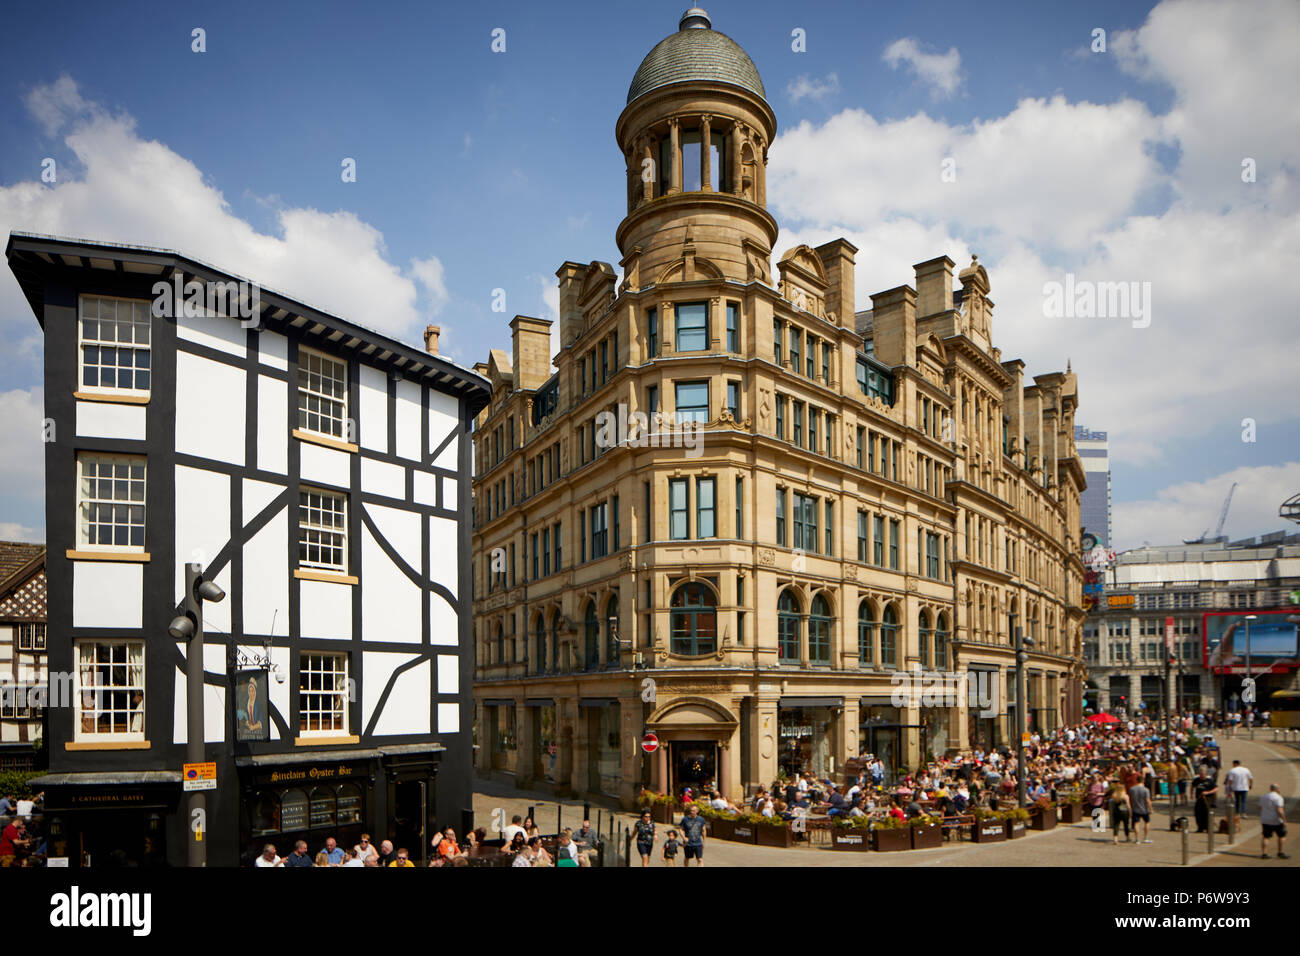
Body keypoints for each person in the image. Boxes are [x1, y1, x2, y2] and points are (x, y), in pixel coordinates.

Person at [1259, 783, 1288, 860]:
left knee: (1266, 837)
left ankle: (1264, 853)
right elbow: (1280, 810)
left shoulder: (1263, 797)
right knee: (1281, 836)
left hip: (1265, 820)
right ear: (1277, 789)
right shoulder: (1278, 798)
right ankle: (1280, 852)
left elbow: (1260, 808)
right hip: (1276, 820)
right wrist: (1284, 820)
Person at [1192, 767, 1218, 834]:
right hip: (1199, 799)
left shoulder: (1209, 781)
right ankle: (1200, 827)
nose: (1201, 775)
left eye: (1203, 774)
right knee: (1198, 814)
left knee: (1206, 814)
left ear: (1206, 774)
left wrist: (1208, 792)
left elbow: (1216, 788)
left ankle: (1208, 828)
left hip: (1207, 800)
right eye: (1200, 774)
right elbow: (1192, 786)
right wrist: (1191, 794)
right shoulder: (1196, 780)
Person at [1128, 779, 1153, 844]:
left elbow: (1130, 799)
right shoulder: (1146, 790)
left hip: (1135, 808)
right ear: (1143, 781)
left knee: (1136, 823)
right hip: (1144, 809)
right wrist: (1151, 809)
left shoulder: (1132, 789)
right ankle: (1146, 837)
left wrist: (1131, 807)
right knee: (1147, 822)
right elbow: (1148, 800)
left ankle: (1137, 839)